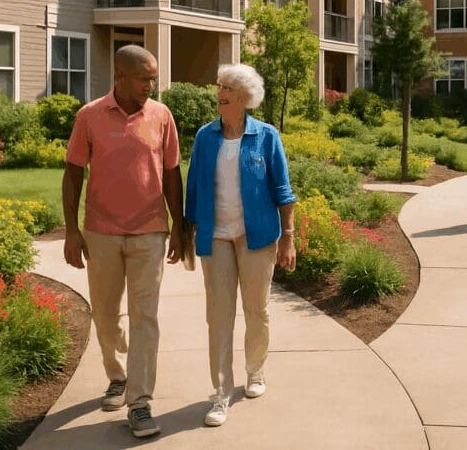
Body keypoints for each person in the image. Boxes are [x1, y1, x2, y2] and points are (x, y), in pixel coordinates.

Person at [62, 45, 184, 439]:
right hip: (101, 232)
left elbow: (171, 172)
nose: (151, 84)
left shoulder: (162, 116)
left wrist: (178, 226)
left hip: (150, 230)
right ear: (120, 76)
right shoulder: (90, 116)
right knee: (106, 314)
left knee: (145, 316)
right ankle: (117, 377)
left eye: (153, 78)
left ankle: (140, 401)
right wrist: (71, 230)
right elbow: (73, 172)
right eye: (144, 78)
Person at [185, 64, 297, 427]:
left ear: (246, 98)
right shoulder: (205, 136)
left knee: (256, 310)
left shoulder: (266, 136)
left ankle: (255, 371)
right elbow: (194, 186)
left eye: (229, 86)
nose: (220, 91)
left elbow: (282, 189)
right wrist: (186, 232)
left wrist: (288, 237)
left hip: (257, 236)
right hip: (215, 235)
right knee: (218, 315)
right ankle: (220, 393)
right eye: (219, 84)